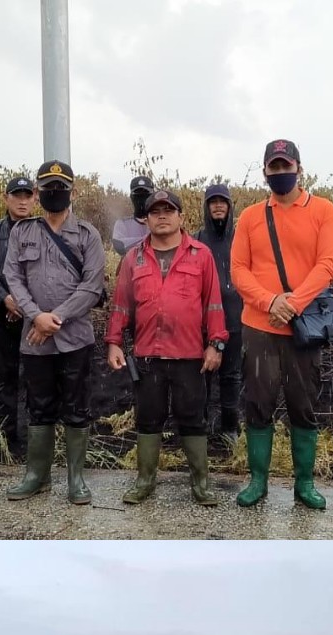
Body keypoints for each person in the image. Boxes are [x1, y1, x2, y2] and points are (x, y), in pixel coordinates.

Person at [230, 139, 333, 510]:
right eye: (274, 167)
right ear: (265, 171)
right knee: (257, 403)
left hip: (304, 327)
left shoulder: (324, 211)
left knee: (303, 404)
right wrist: (270, 301)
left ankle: (304, 484)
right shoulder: (249, 217)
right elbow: (238, 270)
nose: (281, 173)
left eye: (286, 166)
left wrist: (292, 303)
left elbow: (327, 265)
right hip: (259, 326)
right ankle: (257, 481)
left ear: (299, 168)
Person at [106, 189, 228, 506]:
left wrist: (216, 344)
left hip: (190, 355)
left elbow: (213, 304)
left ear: (181, 217)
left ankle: (200, 482)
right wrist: (114, 342)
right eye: (155, 211)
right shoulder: (134, 258)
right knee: (148, 418)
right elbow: (121, 306)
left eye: (168, 210)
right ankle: (145, 480)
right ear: (145, 219)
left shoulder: (200, 255)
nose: (162, 215)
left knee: (192, 419)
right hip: (148, 355)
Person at [3, 161, 107, 505]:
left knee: (77, 408)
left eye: (60, 187)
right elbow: (13, 277)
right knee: (39, 407)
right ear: (37, 192)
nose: (54, 192)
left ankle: (76, 479)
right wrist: (35, 316)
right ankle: (37, 476)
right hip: (34, 340)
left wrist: (55, 318)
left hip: (74, 338)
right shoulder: (22, 232)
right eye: (47, 187)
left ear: (73, 192)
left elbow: (92, 287)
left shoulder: (88, 235)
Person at [0, 176, 36, 457]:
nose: (22, 201)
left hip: (36, 317)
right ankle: (7, 440)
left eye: (27, 195)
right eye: (17, 195)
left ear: (35, 199)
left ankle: (38, 439)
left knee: (39, 377)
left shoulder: (44, 230)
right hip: (1, 317)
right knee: (6, 377)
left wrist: (25, 304)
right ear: (6, 198)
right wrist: (5, 298)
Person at [195, 183, 245, 443]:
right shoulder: (196, 239)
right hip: (203, 322)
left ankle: (229, 429)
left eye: (222, 202)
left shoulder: (241, 238)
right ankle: (199, 428)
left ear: (229, 206)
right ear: (206, 206)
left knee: (231, 375)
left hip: (235, 318)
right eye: (212, 202)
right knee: (201, 373)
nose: (217, 206)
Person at [112, 175, 154, 256]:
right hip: (130, 267)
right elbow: (120, 246)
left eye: (146, 195)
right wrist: (149, 239)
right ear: (131, 197)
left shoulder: (159, 221)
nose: (141, 199)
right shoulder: (122, 223)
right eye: (138, 195)